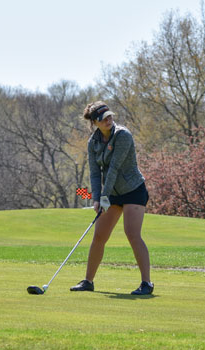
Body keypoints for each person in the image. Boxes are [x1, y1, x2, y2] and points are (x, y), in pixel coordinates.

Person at [70, 101, 153, 295]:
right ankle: (88, 281)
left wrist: (105, 197)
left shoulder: (122, 135)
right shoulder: (93, 143)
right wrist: (97, 199)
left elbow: (114, 168)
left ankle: (146, 283)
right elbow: (95, 173)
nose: (109, 120)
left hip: (133, 189)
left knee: (132, 234)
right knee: (99, 235)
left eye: (110, 116)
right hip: (112, 192)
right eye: (103, 118)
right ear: (95, 122)